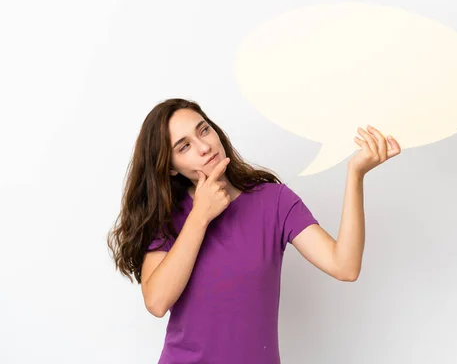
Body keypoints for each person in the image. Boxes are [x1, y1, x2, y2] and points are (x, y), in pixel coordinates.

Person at [107, 98, 401, 363]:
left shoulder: (273, 201)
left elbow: (345, 266)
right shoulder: (168, 218)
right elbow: (157, 302)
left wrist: (355, 174)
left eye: (203, 130)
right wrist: (200, 217)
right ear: (171, 167)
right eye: (184, 146)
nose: (203, 146)